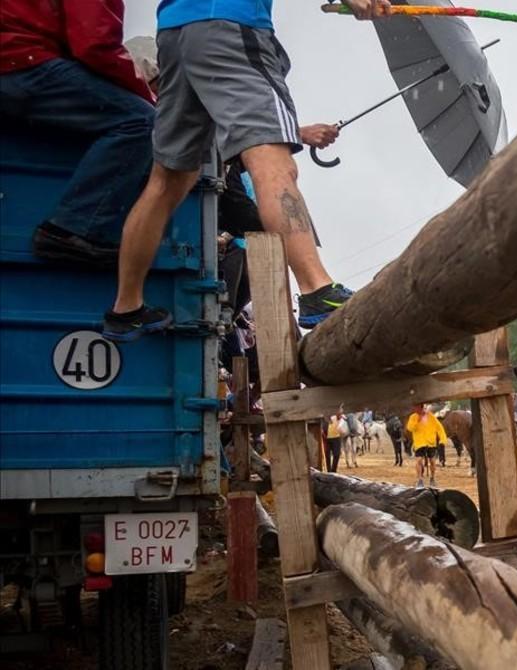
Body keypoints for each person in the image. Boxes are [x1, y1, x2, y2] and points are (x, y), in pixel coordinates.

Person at [101, 0, 387, 342]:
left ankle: (126, 306)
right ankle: (316, 290)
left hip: (174, 34)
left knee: (167, 181)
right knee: (273, 163)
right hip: (231, 23)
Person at [1, 1, 155, 266]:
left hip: (15, 57)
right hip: (22, 62)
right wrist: (148, 98)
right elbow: (96, 44)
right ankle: (74, 228)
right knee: (142, 121)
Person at [406, 404, 448, 488]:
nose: (415, 409)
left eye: (417, 408)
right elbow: (410, 428)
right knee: (419, 461)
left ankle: (432, 478)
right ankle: (419, 480)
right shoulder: (413, 417)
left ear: (421, 407)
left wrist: (443, 439)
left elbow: (439, 428)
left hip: (431, 442)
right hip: (419, 443)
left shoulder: (431, 417)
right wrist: (417, 420)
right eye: (415, 408)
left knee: (432, 461)